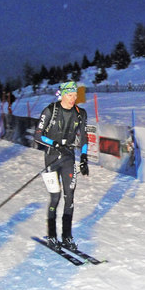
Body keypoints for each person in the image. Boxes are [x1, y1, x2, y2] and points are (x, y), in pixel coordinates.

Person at [34, 81, 89, 250]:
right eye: (70, 95)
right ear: (62, 95)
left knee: (69, 196)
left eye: (75, 95)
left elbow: (84, 136)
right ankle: (52, 235)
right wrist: (55, 144)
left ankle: (67, 236)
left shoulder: (80, 113)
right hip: (52, 158)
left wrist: (84, 156)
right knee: (55, 197)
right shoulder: (50, 110)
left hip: (68, 158)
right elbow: (37, 135)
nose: (73, 99)